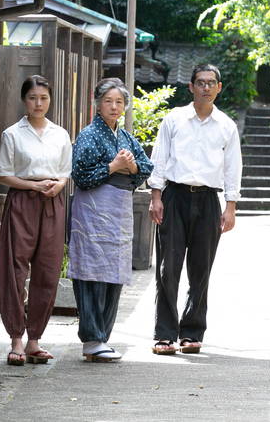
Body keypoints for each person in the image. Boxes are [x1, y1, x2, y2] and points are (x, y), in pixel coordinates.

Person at [147, 64, 242, 355]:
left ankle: (191, 332)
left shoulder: (226, 125)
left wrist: (231, 207)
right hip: (174, 196)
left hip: (208, 201)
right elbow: (159, 158)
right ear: (190, 87)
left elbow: (232, 167)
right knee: (168, 268)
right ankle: (164, 334)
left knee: (201, 269)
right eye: (200, 82)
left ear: (219, 87)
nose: (206, 88)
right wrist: (156, 196)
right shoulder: (174, 119)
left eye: (211, 83)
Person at [68, 77, 153, 362]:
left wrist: (131, 166)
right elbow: (80, 175)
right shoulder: (89, 134)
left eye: (119, 102)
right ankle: (91, 338)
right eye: (108, 101)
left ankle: (102, 337)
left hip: (118, 212)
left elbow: (146, 167)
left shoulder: (126, 137)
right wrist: (113, 166)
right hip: (92, 211)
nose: (114, 107)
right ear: (97, 104)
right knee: (91, 271)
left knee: (113, 272)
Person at [0, 75, 72, 366]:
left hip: (53, 201)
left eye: (44, 98)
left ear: (50, 100)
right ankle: (16, 337)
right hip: (22, 201)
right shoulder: (13, 134)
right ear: (23, 100)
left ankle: (34, 340)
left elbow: (65, 170)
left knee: (48, 269)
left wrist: (59, 185)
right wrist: (33, 186)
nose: (38, 103)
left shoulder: (60, 134)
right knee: (14, 269)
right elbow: (3, 174)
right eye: (32, 98)